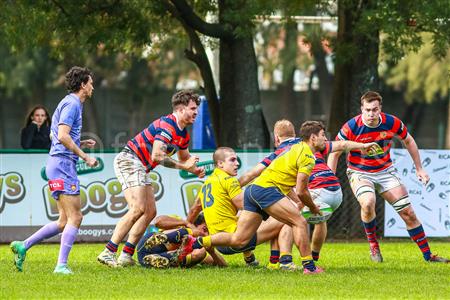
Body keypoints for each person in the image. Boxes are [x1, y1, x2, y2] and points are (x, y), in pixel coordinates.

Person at [178, 122, 332, 275]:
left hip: (252, 192)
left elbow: (264, 176)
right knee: (298, 221)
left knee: (241, 238)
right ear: (312, 138)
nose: (325, 139)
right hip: (264, 193)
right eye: (323, 136)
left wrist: (188, 224)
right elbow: (301, 190)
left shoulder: (288, 150)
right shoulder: (306, 155)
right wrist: (311, 206)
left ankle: (199, 242)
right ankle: (306, 266)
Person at [328, 91, 449, 263]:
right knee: (368, 202)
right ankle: (373, 246)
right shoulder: (351, 126)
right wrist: (330, 176)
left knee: (408, 213)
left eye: (374, 110)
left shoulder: (391, 122)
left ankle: (428, 256)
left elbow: (409, 141)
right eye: (367, 110)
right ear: (361, 109)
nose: (371, 114)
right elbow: (335, 151)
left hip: (386, 172)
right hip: (359, 172)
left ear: (380, 109)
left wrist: (419, 168)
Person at [239, 120, 378, 265]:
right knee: (318, 218)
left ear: (276, 138)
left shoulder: (282, 152)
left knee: (289, 218)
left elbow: (252, 174)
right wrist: (362, 146)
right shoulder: (312, 144)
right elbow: (342, 145)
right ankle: (313, 256)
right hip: (335, 190)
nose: (324, 137)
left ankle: (284, 261)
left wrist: (230, 187)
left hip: (316, 188)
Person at [97, 90, 206, 267]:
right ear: (180, 109)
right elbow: (157, 156)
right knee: (138, 208)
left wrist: (194, 169)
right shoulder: (167, 125)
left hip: (140, 166)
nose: (196, 112)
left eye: (197, 109)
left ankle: (126, 255)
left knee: (149, 211)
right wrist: (184, 166)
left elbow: (184, 159)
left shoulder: (183, 134)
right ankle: (109, 251)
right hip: (130, 159)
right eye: (193, 108)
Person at [10, 67, 98, 274]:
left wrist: (80, 142)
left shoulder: (68, 103)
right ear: (83, 84)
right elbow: (62, 136)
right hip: (63, 165)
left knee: (63, 221)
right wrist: (85, 156)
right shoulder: (73, 103)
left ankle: (23, 246)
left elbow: (55, 135)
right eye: (91, 83)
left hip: (57, 164)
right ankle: (61, 266)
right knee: (76, 217)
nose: (93, 86)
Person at [185, 147, 285, 267]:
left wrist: (187, 225)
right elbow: (246, 205)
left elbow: (194, 208)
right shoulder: (229, 180)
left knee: (243, 215)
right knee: (284, 219)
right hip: (233, 241)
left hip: (218, 243)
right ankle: (283, 262)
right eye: (232, 160)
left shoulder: (208, 182)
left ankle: (250, 259)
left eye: (237, 160)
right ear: (220, 163)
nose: (237, 163)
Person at [137, 213, 226, 268]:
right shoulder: (180, 223)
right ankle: (180, 241)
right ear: (195, 224)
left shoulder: (199, 246)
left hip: (154, 257)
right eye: (204, 229)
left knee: (200, 254)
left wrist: (212, 252)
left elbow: (223, 265)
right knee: (183, 233)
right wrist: (186, 224)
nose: (206, 235)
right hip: (149, 244)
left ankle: (177, 256)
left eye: (208, 233)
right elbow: (158, 221)